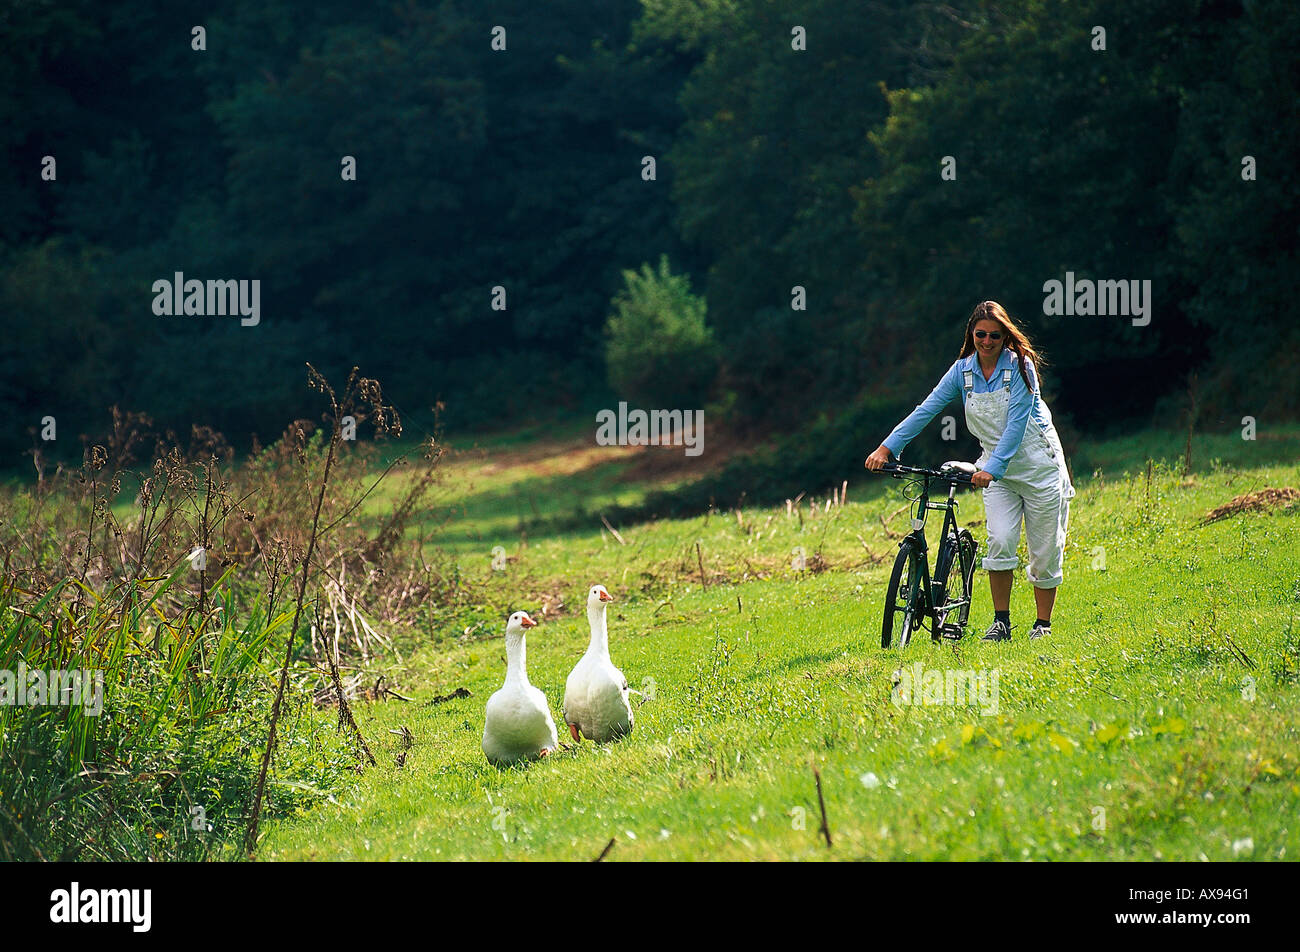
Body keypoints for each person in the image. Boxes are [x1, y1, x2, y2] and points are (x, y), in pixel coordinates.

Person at [865, 301, 1075, 641]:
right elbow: (928, 408)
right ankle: (1001, 623)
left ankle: (1042, 625)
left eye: (995, 335)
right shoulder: (962, 371)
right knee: (1001, 540)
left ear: (1005, 336)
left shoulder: (1021, 367)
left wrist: (991, 469)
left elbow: (1017, 424)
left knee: (1045, 549)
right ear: (971, 334)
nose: (987, 341)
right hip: (996, 472)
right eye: (981, 334)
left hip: (1039, 469)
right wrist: (887, 447)